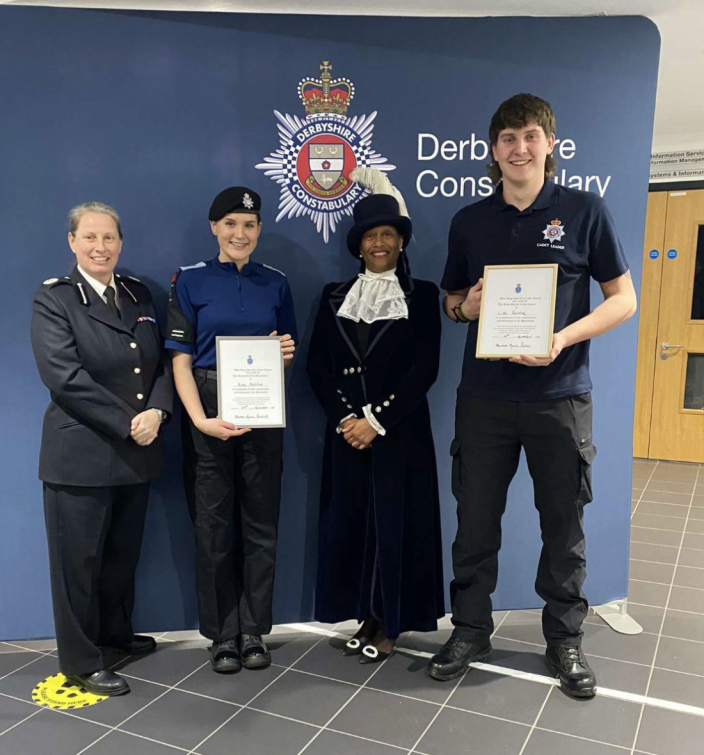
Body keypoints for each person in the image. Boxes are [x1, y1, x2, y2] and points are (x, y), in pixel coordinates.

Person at [428, 94, 637, 698]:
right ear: (492, 151)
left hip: (560, 396)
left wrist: (562, 337)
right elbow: (450, 302)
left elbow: (624, 299)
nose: (519, 149)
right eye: (507, 139)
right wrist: (463, 305)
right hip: (485, 398)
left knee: (563, 524)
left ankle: (564, 640)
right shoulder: (470, 221)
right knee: (474, 523)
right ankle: (469, 629)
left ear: (550, 144)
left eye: (530, 136)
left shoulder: (584, 211)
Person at [31, 202, 173, 696]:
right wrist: (129, 422)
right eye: (89, 237)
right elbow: (64, 377)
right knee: (78, 566)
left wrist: (158, 413)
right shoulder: (54, 300)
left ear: (120, 242)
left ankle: (113, 635)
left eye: (109, 238)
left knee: (120, 557)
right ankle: (80, 659)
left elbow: (159, 366)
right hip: (81, 456)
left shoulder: (136, 295)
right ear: (72, 242)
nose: (100, 247)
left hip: (137, 451)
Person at [307, 176, 445, 663]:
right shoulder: (332, 295)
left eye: (388, 235)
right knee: (356, 523)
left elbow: (425, 367)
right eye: (370, 236)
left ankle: (391, 621)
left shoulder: (423, 295)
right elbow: (317, 367)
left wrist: (376, 419)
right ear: (358, 245)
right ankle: (365, 613)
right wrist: (347, 418)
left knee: (396, 525)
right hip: (347, 435)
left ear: (401, 241)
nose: (379, 243)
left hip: (399, 433)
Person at [165, 186, 297, 673]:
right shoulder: (190, 280)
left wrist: (284, 356)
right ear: (214, 228)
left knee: (261, 521)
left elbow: (287, 348)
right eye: (230, 224)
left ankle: (253, 630)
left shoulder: (276, 283)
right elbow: (178, 360)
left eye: (249, 225)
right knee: (213, 523)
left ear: (258, 231)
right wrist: (199, 418)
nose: (240, 233)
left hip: (262, 405)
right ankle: (222, 633)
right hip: (207, 405)